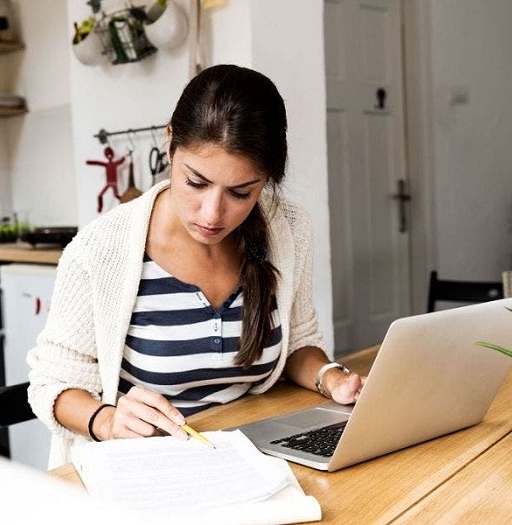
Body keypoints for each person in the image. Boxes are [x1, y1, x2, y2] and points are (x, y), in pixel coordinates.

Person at [27, 64, 365, 468]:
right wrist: (107, 420)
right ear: (170, 142)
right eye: (196, 182)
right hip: (146, 466)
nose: (212, 213)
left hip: (251, 455)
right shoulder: (100, 251)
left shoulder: (287, 229)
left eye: (241, 193)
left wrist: (332, 378)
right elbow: (52, 384)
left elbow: (297, 342)